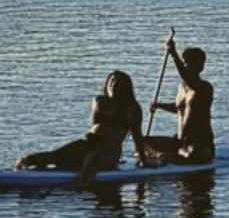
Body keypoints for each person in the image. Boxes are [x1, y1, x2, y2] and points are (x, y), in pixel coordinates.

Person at [15, 70, 150, 186]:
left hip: (110, 151)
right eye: (111, 81)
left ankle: (80, 185)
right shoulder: (99, 102)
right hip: (89, 144)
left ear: (125, 88)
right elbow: (94, 127)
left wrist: (143, 161)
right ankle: (26, 161)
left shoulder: (132, 108)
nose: (113, 85)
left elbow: (137, 137)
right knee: (56, 156)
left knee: (93, 160)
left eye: (118, 83)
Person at [145, 37, 216, 165]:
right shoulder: (181, 87)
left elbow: (187, 77)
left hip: (200, 144)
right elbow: (179, 108)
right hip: (180, 142)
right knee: (143, 142)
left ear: (200, 67)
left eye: (188, 65)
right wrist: (159, 105)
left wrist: (173, 53)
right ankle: (164, 156)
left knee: (194, 153)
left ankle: (168, 157)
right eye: (183, 64)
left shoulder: (205, 88)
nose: (184, 67)